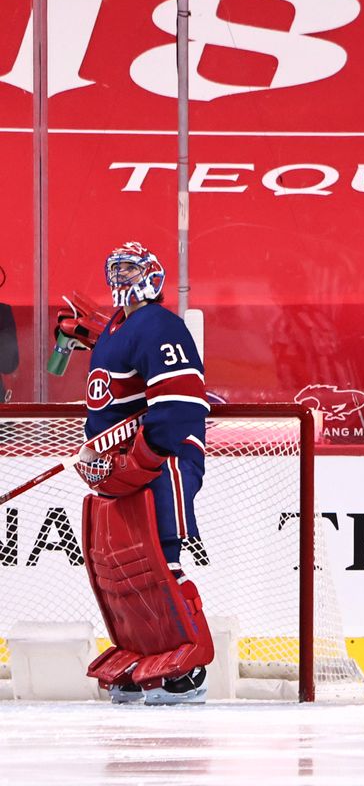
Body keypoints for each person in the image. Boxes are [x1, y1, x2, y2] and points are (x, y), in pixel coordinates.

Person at [54, 241, 213, 705]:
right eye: (116, 269)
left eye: (131, 268)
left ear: (154, 274)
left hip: (164, 462)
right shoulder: (120, 328)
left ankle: (188, 670)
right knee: (121, 567)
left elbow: (180, 404)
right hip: (123, 463)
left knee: (162, 560)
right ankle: (147, 651)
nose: (122, 277)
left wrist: (143, 456)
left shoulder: (161, 324)